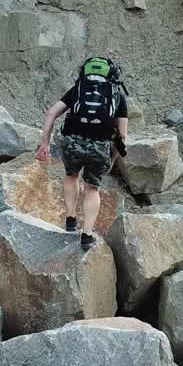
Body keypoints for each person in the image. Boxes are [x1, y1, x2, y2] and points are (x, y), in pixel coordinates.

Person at [34, 57, 129, 250]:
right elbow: (123, 136)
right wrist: (111, 159)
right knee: (92, 189)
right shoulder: (117, 96)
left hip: (72, 143)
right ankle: (86, 235)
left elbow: (51, 113)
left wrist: (45, 144)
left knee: (71, 176)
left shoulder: (78, 90)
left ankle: (70, 220)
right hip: (100, 147)